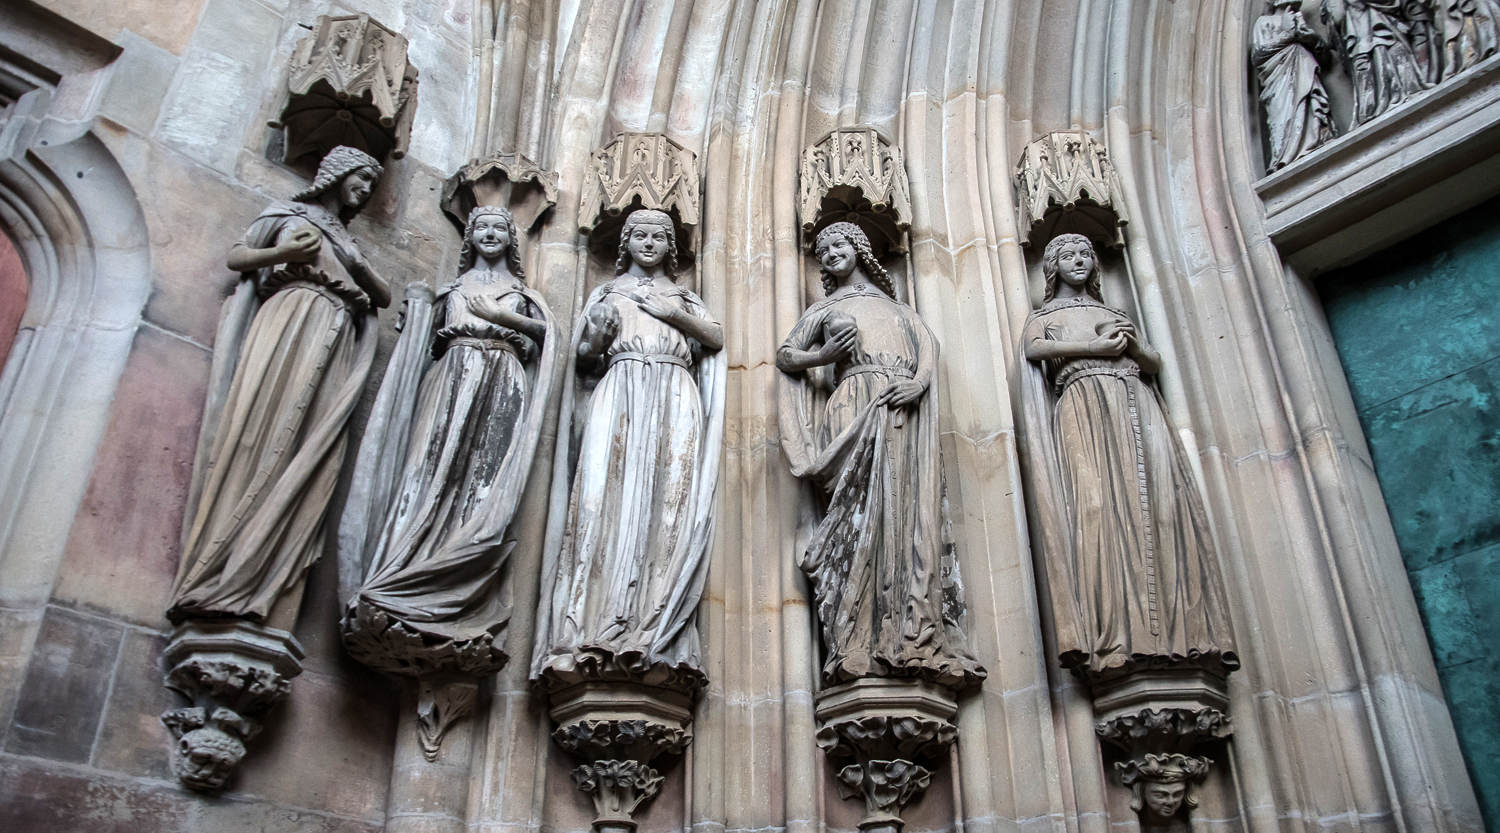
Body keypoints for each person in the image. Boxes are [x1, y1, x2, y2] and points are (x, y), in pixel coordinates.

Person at [169, 146, 389, 626]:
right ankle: (220, 569)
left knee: (313, 441)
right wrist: (285, 253)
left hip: (334, 331)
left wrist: (357, 264)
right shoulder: (289, 213)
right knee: (262, 425)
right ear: (335, 174)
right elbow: (239, 256)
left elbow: (383, 295)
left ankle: (268, 571)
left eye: (372, 183)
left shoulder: (347, 239)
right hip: (289, 317)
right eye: (361, 178)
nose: (366, 190)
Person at [1019, 233, 1237, 684]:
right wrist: (1092, 350)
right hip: (1084, 405)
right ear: (1053, 267)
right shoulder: (1045, 316)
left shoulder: (1116, 314)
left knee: (1160, 509)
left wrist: (1132, 348)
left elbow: (1152, 361)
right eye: (1069, 256)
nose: (1079, 262)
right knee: (1096, 510)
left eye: (1086, 255)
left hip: (1136, 404)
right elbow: (1033, 349)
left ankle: (1180, 634)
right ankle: (1114, 634)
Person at [776, 222, 984, 691]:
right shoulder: (825, 308)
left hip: (901, 406)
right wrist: (823, 355)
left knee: (906, 516)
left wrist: (920, 383)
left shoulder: (897, 309)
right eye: (823, 249)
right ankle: (856, 636)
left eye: (839, 245)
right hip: (854, 404)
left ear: (860, 249)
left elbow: (928, 348)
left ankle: (907, 631)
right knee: (860, 519)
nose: (830, 253)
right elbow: (787, 355)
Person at [532, 209, 726, 695]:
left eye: (658, 237)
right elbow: (583, 358)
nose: (648, 243)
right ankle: (592, 622)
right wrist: (595, 337)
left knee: (668, 508)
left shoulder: (683, 297)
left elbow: (716, 336)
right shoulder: (607, 293)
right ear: (625, 243)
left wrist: (673, 314)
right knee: (602, 499)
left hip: (674, 395)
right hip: (619, 391)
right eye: (638, 235)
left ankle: (653, 624)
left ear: (669, 247)